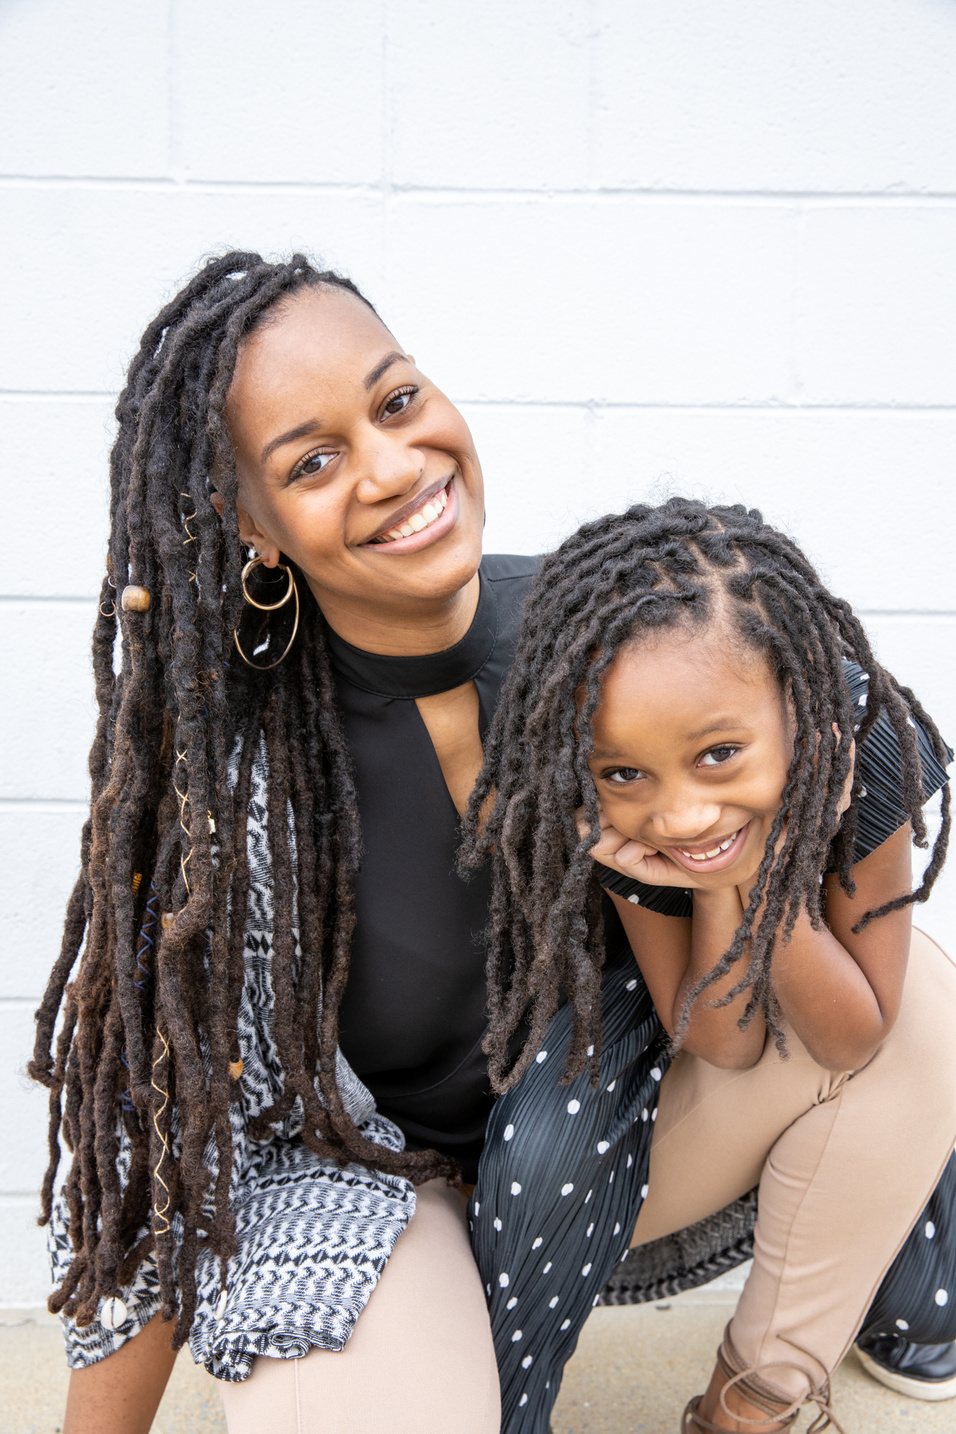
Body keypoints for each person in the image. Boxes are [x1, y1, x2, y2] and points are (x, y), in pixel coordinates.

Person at [29, 255, 953, 1434]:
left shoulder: (615, 663)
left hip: (606, 1149)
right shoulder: (232, 771)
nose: (393, 467)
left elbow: (807, 809)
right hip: (365, 1200)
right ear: (244, 522)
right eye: (311, 461)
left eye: (397, 400)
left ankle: (763, 1398)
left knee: (911, 994)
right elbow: (154, 1120)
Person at [461, 496, 956, 1430]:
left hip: (821, 1043)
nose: (682, 813)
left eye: (721, 755)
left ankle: (756, 1403)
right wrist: (722, 881)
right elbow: (721, 1040)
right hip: (632, 1117)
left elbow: (856, 1034)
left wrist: (766, 878)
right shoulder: (621, 820)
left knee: (926, 995)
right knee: (553, 1142)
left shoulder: (864, 738)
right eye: (626, 774)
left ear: (801, 710)